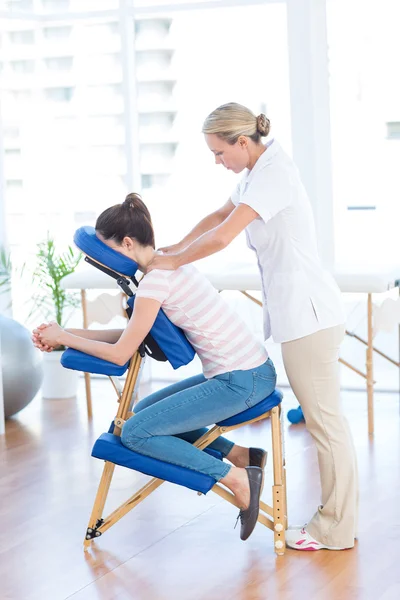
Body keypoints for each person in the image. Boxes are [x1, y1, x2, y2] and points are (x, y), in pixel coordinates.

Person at [146, 102, 358, 551]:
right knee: (326, 423)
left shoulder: (274, 174)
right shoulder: (253, 175)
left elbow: (223, 238)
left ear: (242, 142)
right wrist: (175, 246)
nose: (217, 162)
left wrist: (174, 261)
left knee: (325, 425)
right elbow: (218, 218)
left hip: (310, 316)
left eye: (220, 153)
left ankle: (334, 529)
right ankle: (335, 522)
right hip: (299, 316)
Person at [32, 193, 278, 541]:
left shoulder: (154, 281)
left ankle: (233, 477)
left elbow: (120, 354)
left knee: (136, 432)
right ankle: (240, 454)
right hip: (249, 372)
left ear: (127, 243)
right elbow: (134, 335)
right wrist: (64, 335)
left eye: (107, 249)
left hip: (241, 382)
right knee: (142, 412)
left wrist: (64, 337)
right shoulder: (166, 263)